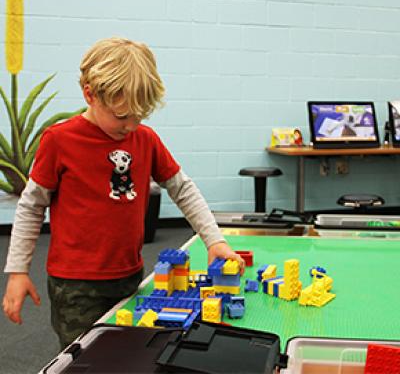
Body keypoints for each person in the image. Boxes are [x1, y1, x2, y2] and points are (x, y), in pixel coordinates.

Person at [2, 37, 245, 349]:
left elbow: (182, 189)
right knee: (85, 357)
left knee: (131, 350)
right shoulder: (59, 141)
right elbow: (31, 207)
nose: (131, 126)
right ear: (90, 94)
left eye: (139, 117)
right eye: (121, 116)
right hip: (75, 285)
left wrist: (215, 240)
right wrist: (18, 270)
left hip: (130, 274)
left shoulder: (144, 139)